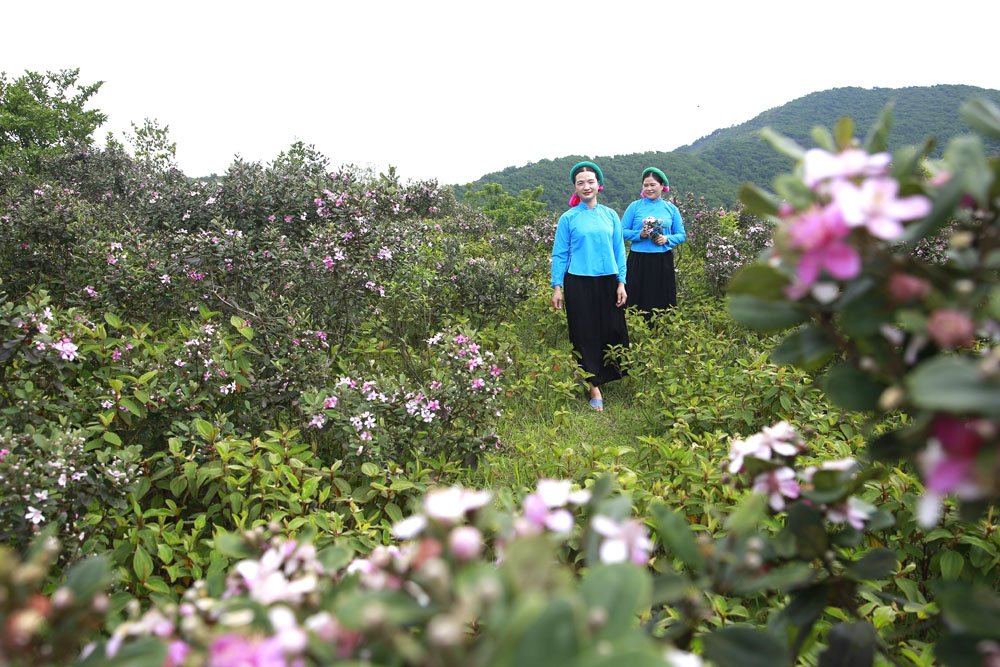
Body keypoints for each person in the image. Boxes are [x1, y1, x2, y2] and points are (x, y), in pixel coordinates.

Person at [550, 161, 629, 411]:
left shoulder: (610, 215)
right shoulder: (569, 218)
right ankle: (594, 385)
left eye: (590, 181)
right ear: (575, 187)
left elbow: (619, 250)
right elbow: (560, 254)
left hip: (608, 281)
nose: (586, 186)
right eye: (580, 182)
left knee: (611, 330)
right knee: (583, 333)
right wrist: (557, 286)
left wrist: (621, 282)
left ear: (599, 185)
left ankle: (597, 374)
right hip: (578, 282)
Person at [620, 167, 686, 320]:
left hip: (662, 260)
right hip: (638, 259)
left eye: (653, 185)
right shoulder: (635, 206)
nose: (649, 188)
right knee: (636, 297)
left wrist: (667, 239)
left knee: (662, 297)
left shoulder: (671, 209)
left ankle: (662, 333)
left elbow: (681, 235)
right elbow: (621, 232)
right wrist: (640, 235)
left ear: (662, 186)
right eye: (646, 185)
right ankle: (633, 331)